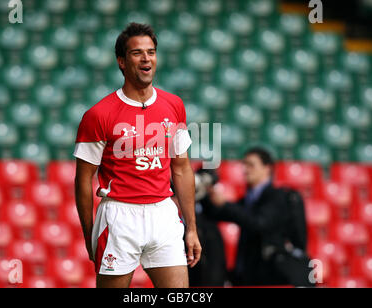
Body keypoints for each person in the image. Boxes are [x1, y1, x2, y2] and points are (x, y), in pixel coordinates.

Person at [74, 23, 201, 288]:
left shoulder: (174, 105)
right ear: (121, 62)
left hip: (164, 212)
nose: (146, 58)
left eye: (151, 52)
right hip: (119, 216)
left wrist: (191, 228)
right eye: (137, 53)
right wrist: (89, 234)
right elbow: (84, 179)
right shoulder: (99, 114)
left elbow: (181, 168)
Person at [205, 147, 312, 287]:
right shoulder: (250, 199)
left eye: (251, 165)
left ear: (267, 168)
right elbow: (221, 214)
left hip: (269, 276)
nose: (245, 169)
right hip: (249, 276)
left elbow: (259, 222)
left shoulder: (277, 197)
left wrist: (225, 205)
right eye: (244, 164)